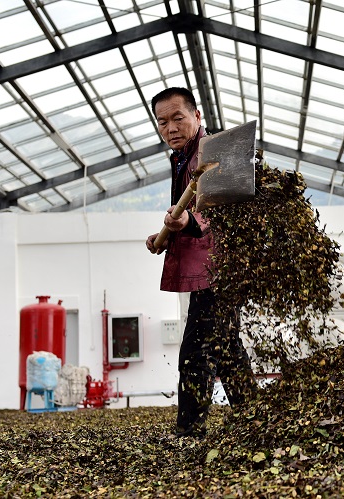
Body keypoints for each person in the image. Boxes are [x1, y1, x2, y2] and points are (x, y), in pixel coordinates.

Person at [146, 87, 257, 439]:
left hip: (220, 271)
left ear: (197, 117)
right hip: (210, 269)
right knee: (226, 350)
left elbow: (227, 216)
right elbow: (194, 211)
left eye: (178, 117)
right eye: (162, 121)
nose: (170, 127)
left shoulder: (216, 153)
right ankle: (256, 420)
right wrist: (166, 236)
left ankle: (190, 432)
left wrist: (188, 224)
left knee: (196, 352)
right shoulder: (182, 159)